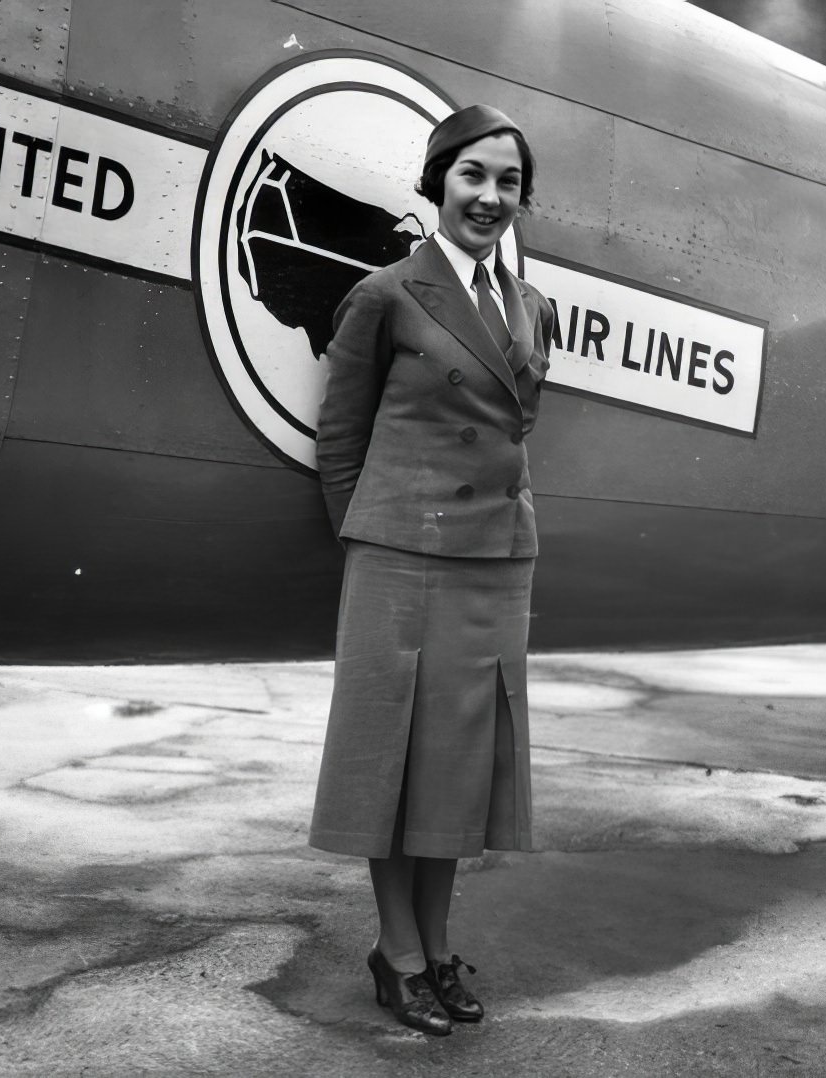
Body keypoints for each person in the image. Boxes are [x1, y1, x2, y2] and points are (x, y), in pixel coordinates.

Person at [308, 104, 554, 1036]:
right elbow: (341, 440)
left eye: (509, 183)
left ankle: (438, 947)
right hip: (403, 553)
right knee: (391, 756)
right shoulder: (386, 295)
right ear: (438, 181)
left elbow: (515, 433)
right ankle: (397, 952)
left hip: (497, 555)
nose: (490, 198)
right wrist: (374, 532)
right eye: (474, 177)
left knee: (456, 763)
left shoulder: (532, 307)